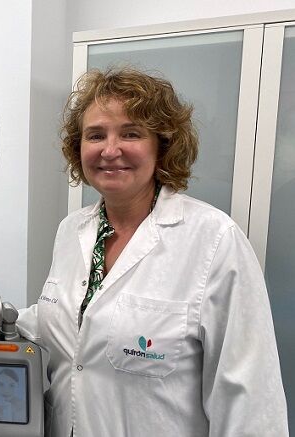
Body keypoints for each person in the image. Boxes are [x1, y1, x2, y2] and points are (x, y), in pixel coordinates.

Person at [16, 68, 288, 436]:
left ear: (163, 146)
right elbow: (68, 316)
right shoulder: (71, 230)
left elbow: (250, 401)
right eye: (95, 135)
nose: (110, 150)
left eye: (131, 133)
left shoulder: (214, 240)